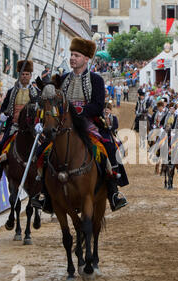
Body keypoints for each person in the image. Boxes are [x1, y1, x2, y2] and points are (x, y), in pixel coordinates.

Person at [35, 37, 128, 213]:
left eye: (76, 55)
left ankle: (114, 192)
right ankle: (44, 193)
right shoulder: (62, 79)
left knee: (109, 147)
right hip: (64, 125)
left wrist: (80, 112)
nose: (72, 58)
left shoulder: (96, 80)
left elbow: (98, 105)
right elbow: (52, 100)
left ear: (86, 59)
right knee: (42, 151)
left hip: (89, 123)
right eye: (72, 55)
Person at [0, 60, 40, 184]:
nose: (24, 76)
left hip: (32, 128)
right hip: (15, 125)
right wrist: (2, 114)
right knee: (1, 146)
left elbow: (41, 109)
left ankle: (42, 175)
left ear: (30, 75)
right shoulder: (12, 91)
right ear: (19, 75)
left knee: (44, 148)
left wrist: (40, 122)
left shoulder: (37, 93)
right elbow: (5, 106)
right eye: (22, 74)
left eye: (27, 74)